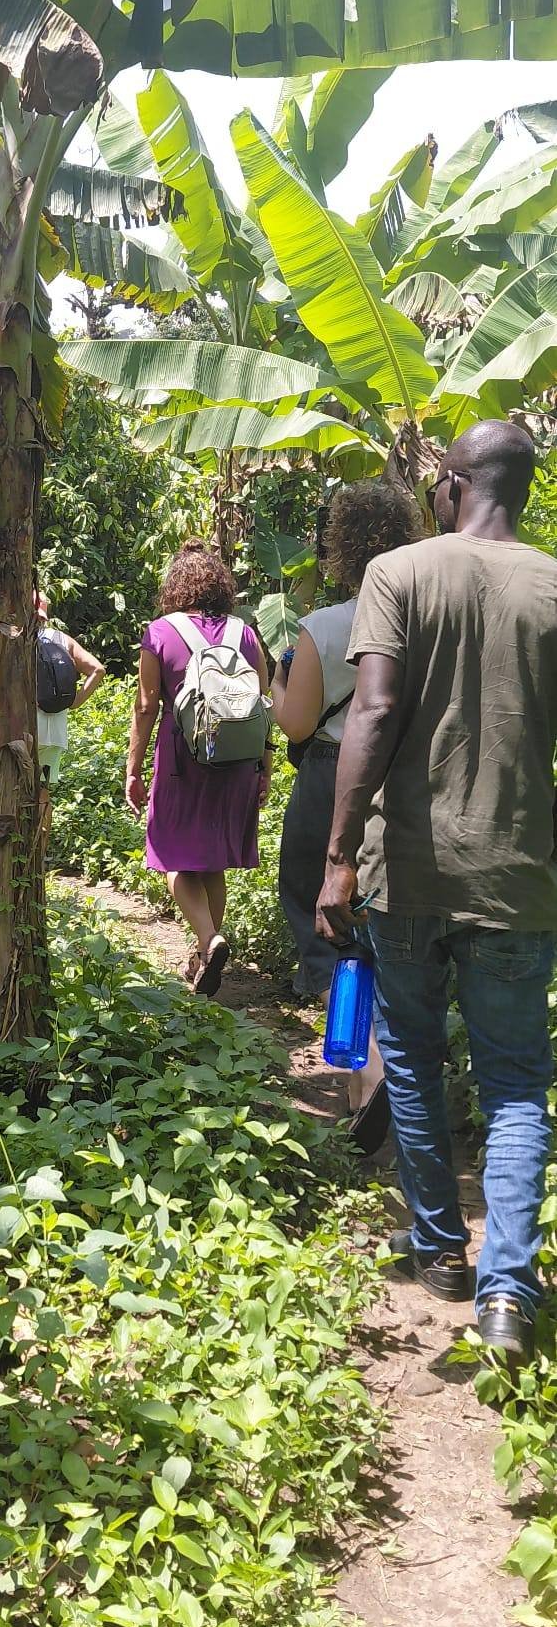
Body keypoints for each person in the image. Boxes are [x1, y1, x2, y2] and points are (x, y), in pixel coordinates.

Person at [316, 422, 557, 1366]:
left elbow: (372, 710)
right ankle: (508, 1291)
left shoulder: (400, 573)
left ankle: (440, 1253)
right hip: (519, 878)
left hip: (406, 874)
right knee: (515, 1082)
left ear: (453, 484)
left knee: (413, 1059)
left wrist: (339, 857)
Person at [272, 483, 423, 1148]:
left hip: (332, 778)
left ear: (340, 545)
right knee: (394, 926)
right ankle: (395, 1070)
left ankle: (363, 1075)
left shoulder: (326, 626)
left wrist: (274, 686)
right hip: (413, 779)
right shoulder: (429, 619)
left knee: (331, 922)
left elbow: (299, 721)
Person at [126, 539, 271, 998]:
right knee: (212, 862)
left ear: (175, 586)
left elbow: (147, 705)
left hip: (181, 760)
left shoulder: (160, 632)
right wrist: (263, 768)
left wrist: (133, 767)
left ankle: (209, 940)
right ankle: (204, 955)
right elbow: (262, 705)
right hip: (237, 762)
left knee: (173, 854)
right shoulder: (244, 634)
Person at [36, 595, 105, 829]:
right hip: (54, 731)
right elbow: (97, 669)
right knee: (42, 791)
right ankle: (39, 853)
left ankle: (16, 855)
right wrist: (74, 702)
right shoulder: (61, 639)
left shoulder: (15, 637)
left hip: (23, 727)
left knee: (10, 786)